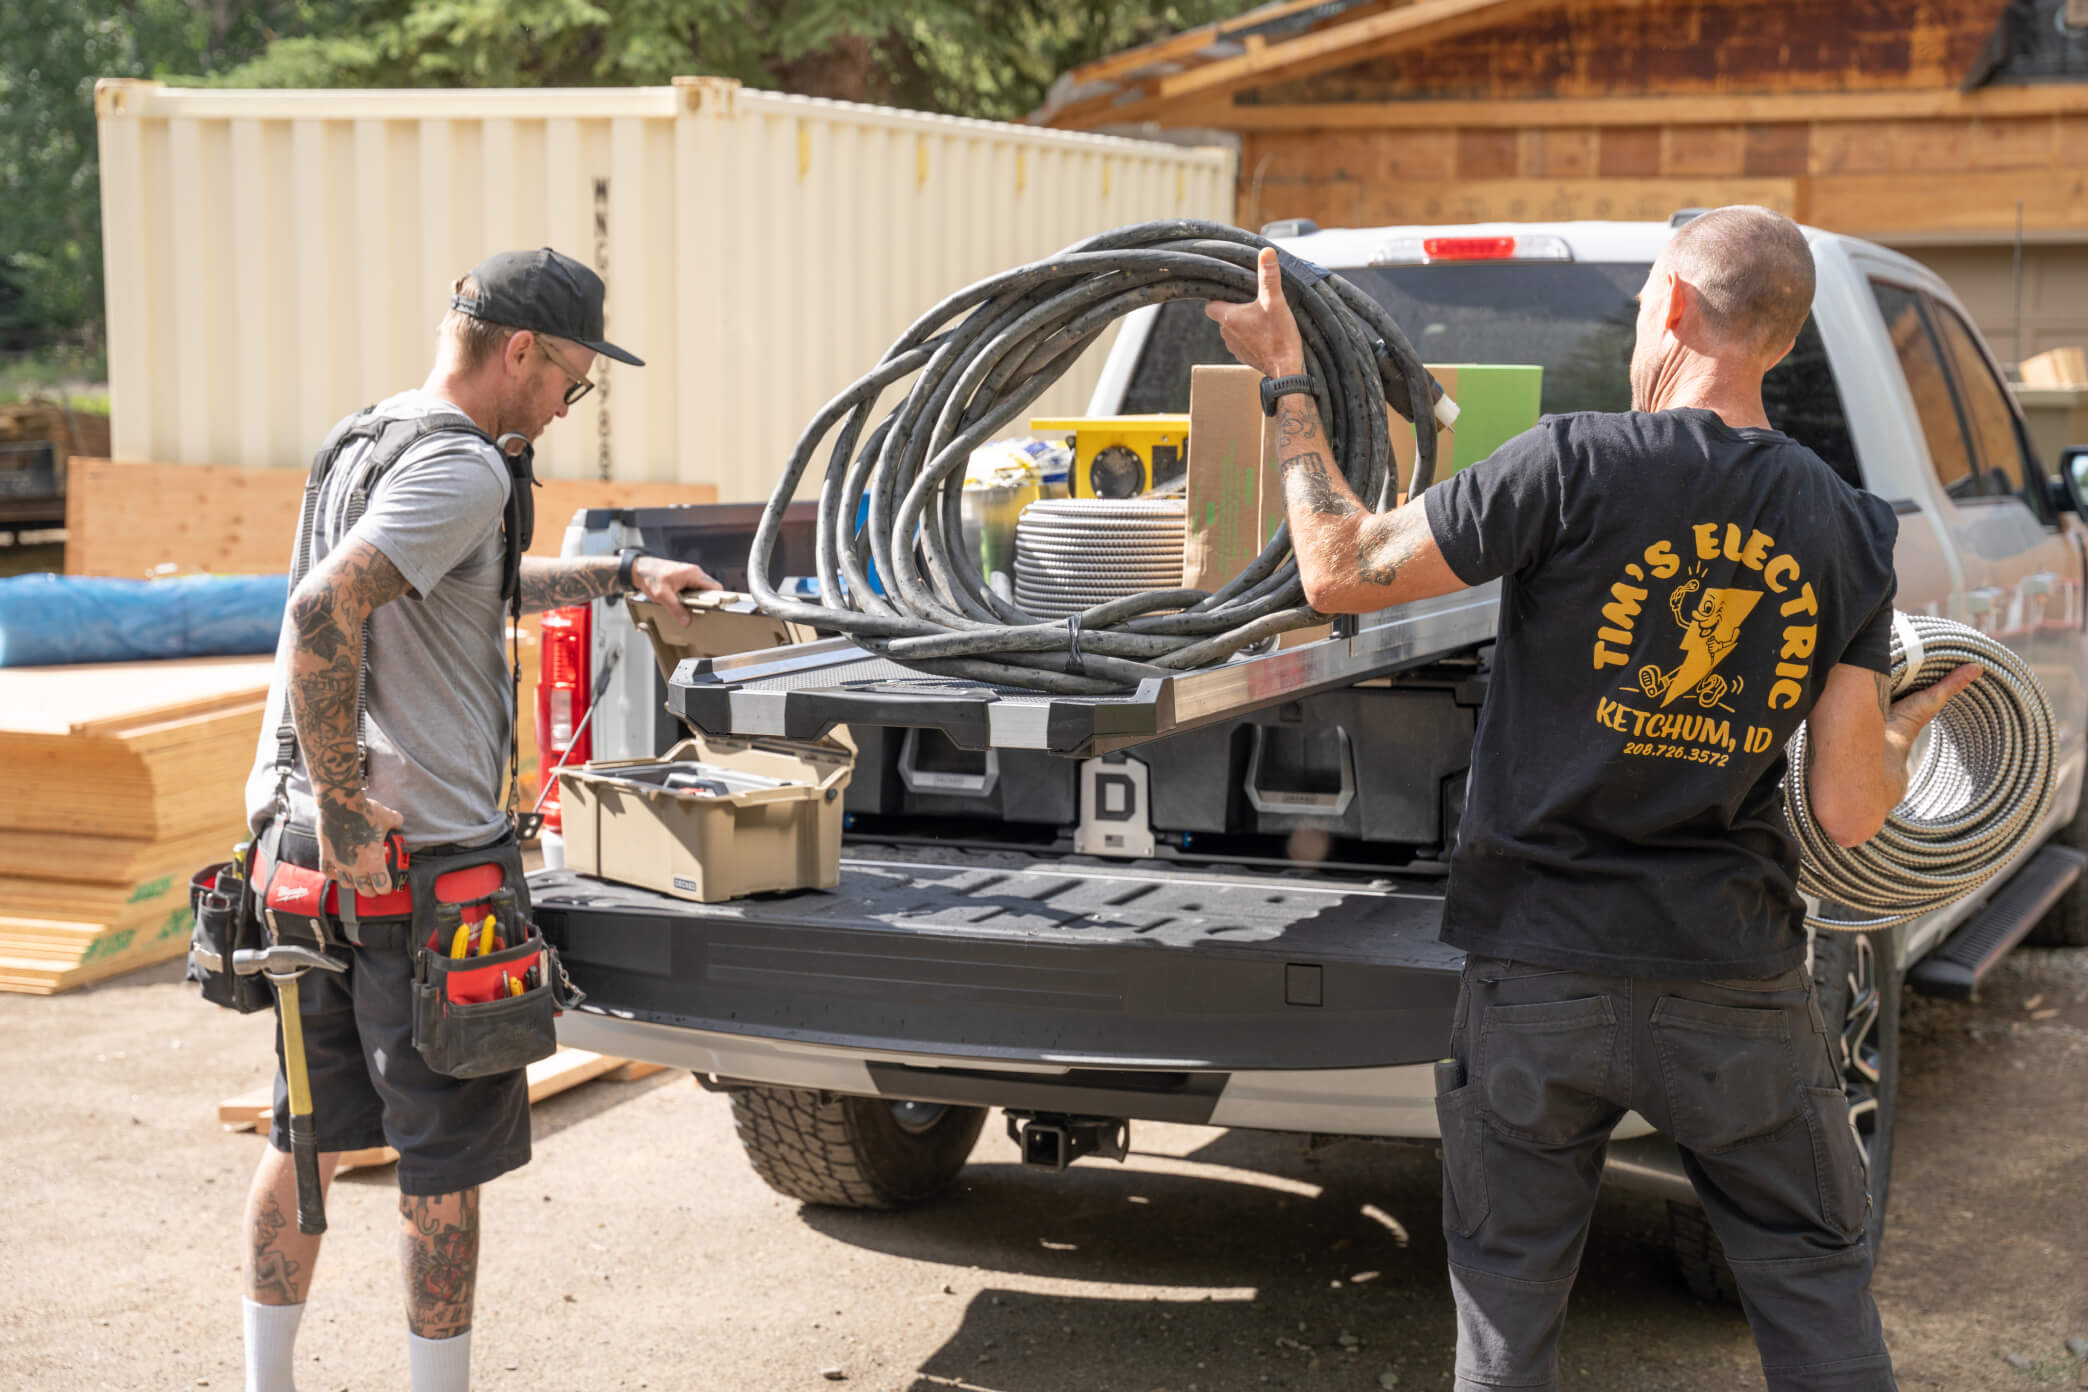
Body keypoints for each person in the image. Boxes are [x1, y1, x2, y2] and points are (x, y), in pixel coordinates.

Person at [1207, 206, 1979, 1392]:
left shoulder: (1569, 461)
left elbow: (1338, 571)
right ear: (1782, 337)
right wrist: (1901, 728)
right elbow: (1851, 811)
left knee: (1508, 1318)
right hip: (1734, 985)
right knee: (1815, 1296)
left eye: (1638, 309)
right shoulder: (1846, 526)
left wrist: (1286, 385)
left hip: (1540, 979)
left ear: (1672, 305)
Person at [236, 247, 717, 1392]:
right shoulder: (469, 471)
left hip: (307, 864)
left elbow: (464, 579)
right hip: (419, 870)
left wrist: (618, 576)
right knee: (440, 1163)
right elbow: (323, 607)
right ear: (519, 353)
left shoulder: (368, 440)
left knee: (302, 1137)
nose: (567, 404)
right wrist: (353, 803)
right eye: (571, 381)